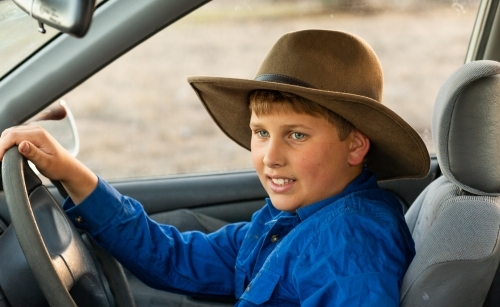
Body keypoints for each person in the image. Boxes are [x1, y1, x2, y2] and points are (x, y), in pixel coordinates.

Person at [0, 29, 430, 306]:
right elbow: (174, 258)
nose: (269, 156)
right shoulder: (285, 221)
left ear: (355, 146)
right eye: (260, 133)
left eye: (296, 135)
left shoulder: (349, 240)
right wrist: (73, 174)